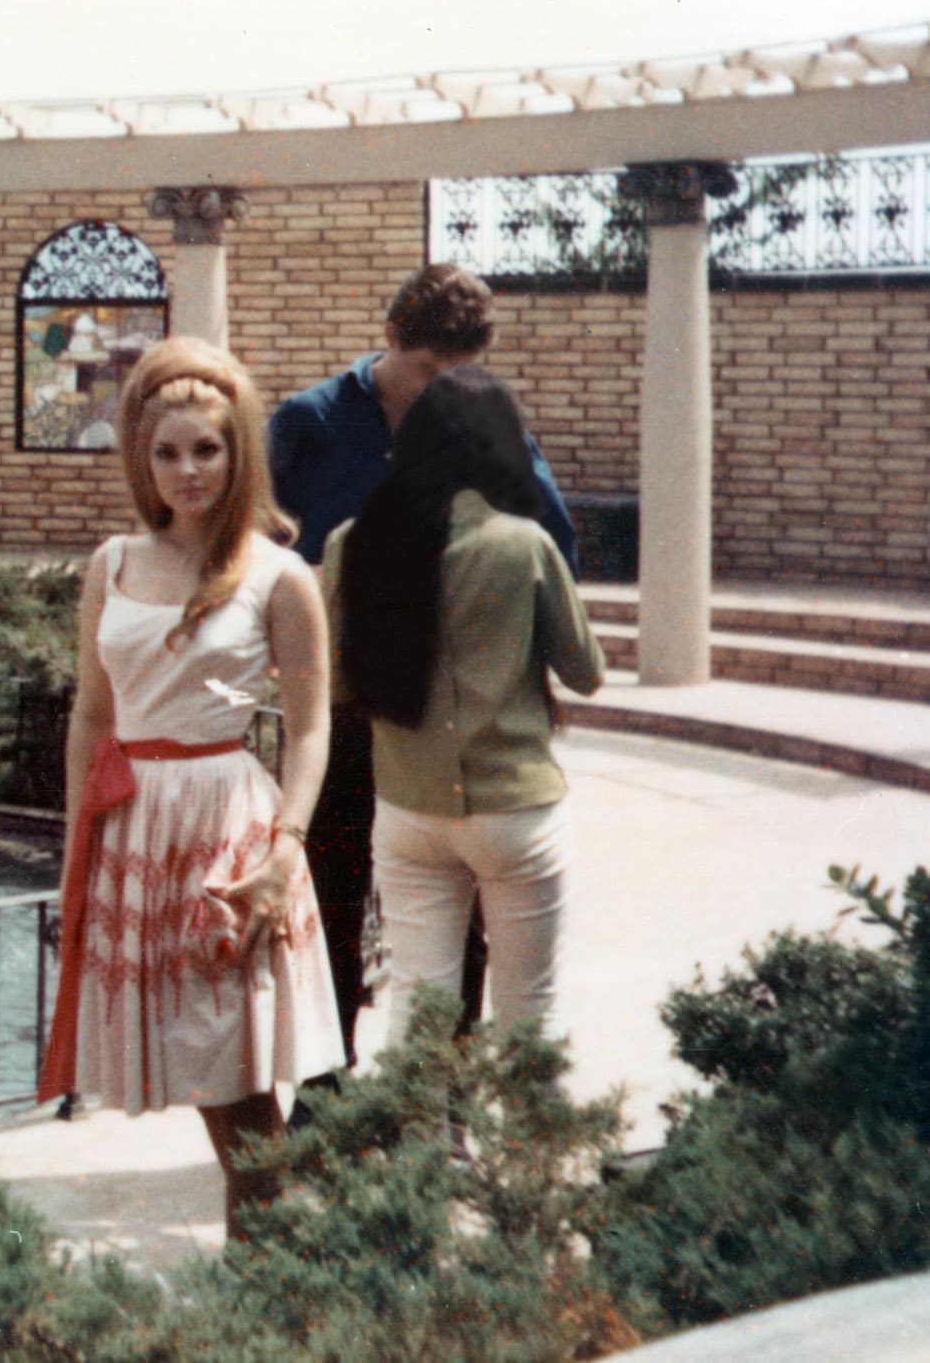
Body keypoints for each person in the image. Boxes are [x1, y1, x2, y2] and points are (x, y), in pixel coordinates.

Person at [39, 337, 344, 1241]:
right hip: (134, 823)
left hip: (228, 829)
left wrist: (285, 848)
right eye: (167, 451)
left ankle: (275, 1282)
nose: (187, 470)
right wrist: (77, 850)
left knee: (236, 1077)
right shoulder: (113, 565)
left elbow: (311, 723)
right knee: (212, 1080)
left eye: (206, 449)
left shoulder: (280, 576)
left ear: (238, 449)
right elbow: (93, 717)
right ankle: (284, 1275)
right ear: (142, 455)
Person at [266, 264, 577, 1076]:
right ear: (392, 338)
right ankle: (327, 1086)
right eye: (431, 372)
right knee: (329, 893)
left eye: (461, 374)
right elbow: (262, 550)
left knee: (458, 912)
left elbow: (554, 544)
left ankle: (448, 1096)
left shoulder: (476, 427)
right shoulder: (310, 421)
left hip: (456, 722)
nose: (446, 390)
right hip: (346, 704)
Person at [321, 366, 606, 1042]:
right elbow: (586, 671)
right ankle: (525, 1149)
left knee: (417, 1010)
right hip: (516, 810)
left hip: (407, 809)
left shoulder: (349, 545)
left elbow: (339, 688)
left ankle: (433, 1148)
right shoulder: (524, 544)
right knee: (528, 1013)